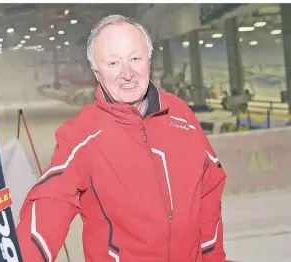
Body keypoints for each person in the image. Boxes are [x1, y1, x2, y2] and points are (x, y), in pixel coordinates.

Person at [16, 15, 227, 262]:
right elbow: (51, 200)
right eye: (113, 63)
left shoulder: (180, 116)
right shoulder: (82, 134)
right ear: (97, 71)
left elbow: (209, 188)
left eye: (135, 58)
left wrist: (212, 257)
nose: (127, 73)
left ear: (148, 61)